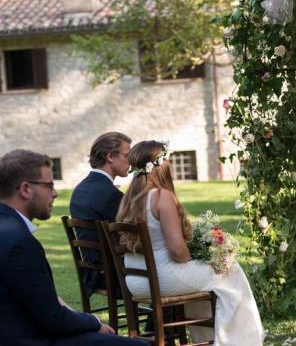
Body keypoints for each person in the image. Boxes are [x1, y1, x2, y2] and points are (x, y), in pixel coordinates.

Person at [117, 141, 264, 345]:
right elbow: (178, 251)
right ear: (162, 165)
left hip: (136, 282)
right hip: (162, 279)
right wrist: (192, 256)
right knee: (230, 270)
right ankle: (242, 340)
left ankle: (209, 340)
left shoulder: (128, 200)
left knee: (205, 279)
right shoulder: (161, 197)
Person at [0, 149, 144, 346]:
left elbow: (35, 298)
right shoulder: (19, 243)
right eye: (49, 185)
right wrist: (93, 321)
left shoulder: (8, 228)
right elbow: (54, 320)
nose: (55, 193)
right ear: (25, 189)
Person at [70, 132, 132, 296]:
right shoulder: (110, 195)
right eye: (128, 156)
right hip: (114, 277)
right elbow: (132, 235)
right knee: (169, 276)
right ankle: (156, 323)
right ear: (111, 156)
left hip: (92, 274)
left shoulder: (80, 189)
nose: (131, 161)